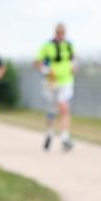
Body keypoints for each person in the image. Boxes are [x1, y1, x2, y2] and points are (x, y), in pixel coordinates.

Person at [34, 23, 75, 152]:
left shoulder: (69, 45)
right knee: (52, 110)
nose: (60, 36)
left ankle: (64, 137)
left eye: (62, 34)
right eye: (58, 33)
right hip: (51, 82)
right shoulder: (47, 46)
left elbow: (73, 60)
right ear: (55, 33)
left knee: (64, 106)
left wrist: (73, 67)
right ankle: (50, 133)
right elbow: (37, 62)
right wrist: (47, 70)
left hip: (66, 81)